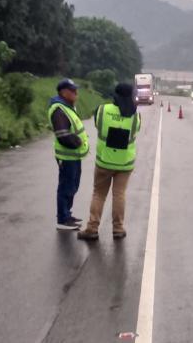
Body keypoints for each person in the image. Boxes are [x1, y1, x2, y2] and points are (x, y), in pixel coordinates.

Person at [78, 83, 140, 241]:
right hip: (125, 164)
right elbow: (135, 132)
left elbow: (97, 126)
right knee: (119, 195)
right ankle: (118, 229)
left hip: (104, 162)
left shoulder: (102, 110)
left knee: (99, 194)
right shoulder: (135, 116)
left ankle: (92, 228)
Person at [48, 79, 90, 230]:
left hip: (73, 156)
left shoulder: (67, 107)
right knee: (66, 186)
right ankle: (63, 218)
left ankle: (67, 213)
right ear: (64, 92)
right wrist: (77, 142)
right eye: (73, 91)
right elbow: (62, 135)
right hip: (67, 156)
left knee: (72, 185)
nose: (76, 93)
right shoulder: (59, 110)